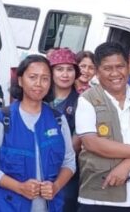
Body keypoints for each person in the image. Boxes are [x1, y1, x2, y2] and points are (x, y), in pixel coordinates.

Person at [0, 54, 76, 212]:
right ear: (21, 80)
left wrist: (55, 187)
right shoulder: (3, 119)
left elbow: (69, 162)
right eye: (33, 77)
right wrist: (19, 187)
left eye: (45, 78)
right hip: (7, 206)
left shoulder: (58, 119)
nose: (38, 84)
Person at [75, 41, 130, 212]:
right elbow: (92, 142)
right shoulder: (87, 99)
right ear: (97, 72)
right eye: (108, 68)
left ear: (128, 67)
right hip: (98, 197)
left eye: (120, 66)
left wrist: (127, 164)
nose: (115, 73)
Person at [46, 48, 81, 211]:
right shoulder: (41, 99)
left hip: (69, 169)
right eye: (59, 69)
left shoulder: (82, 101)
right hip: (39, 164)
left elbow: (78, 138)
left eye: (69, 69)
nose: (65, 74)